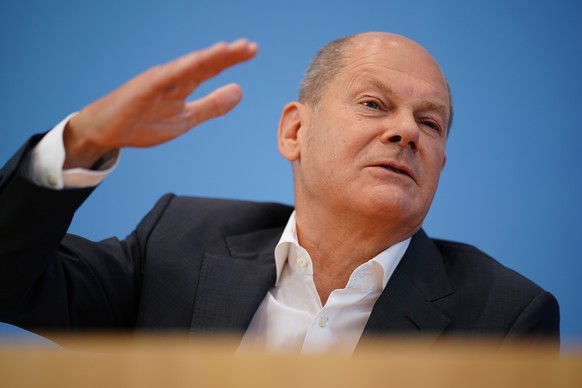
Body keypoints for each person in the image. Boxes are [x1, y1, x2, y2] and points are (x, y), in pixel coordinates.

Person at [0, 33, 559, 353]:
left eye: (431, 123)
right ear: (295, 131)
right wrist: (83, 141)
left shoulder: (505, 318)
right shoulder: (177, 243)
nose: (406, 131)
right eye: (374, 104)